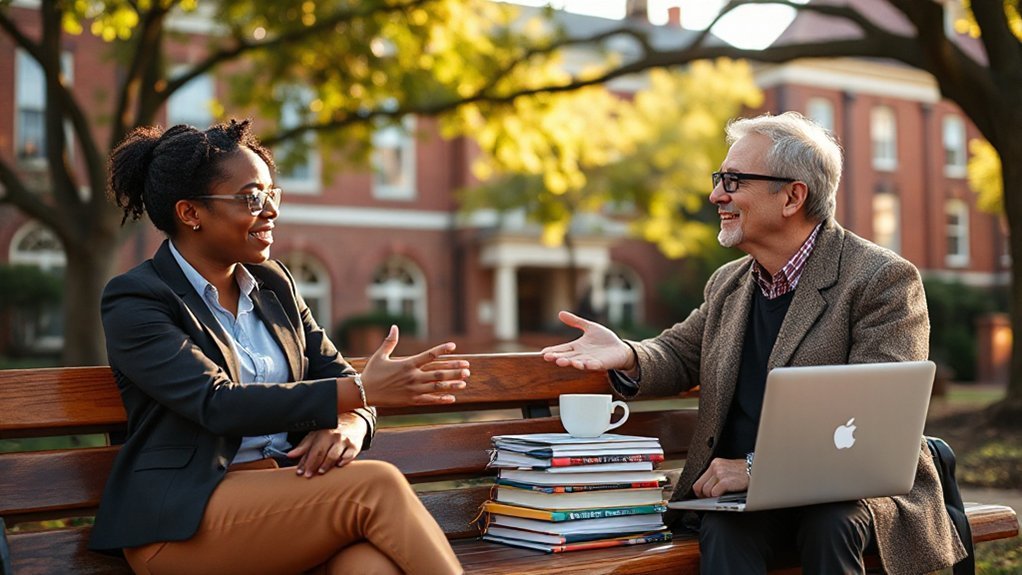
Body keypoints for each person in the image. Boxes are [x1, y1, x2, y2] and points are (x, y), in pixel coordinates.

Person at [541, 112, 966, 574]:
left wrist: (755, 467)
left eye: (734, 180)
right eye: (720, 178)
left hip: (851, 491)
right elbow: (681, 351)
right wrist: (626, 353)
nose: (716, 194)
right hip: (740, 497)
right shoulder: (729, 283)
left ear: (792, 196)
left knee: (831, 522)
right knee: (723, 528)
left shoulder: (881, 280)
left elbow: (880, 421)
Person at [89, 119, 467, 575]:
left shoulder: (275, 285)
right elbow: (217, 403)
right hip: (181, 522)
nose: (270, 210)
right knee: (376, 485)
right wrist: (362, 394)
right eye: (251, 197)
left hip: (289, 497)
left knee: (367, 566)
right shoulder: (137, 299)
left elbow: (340, 379)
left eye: (272, 194)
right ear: (190, 213)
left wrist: (350, 423)